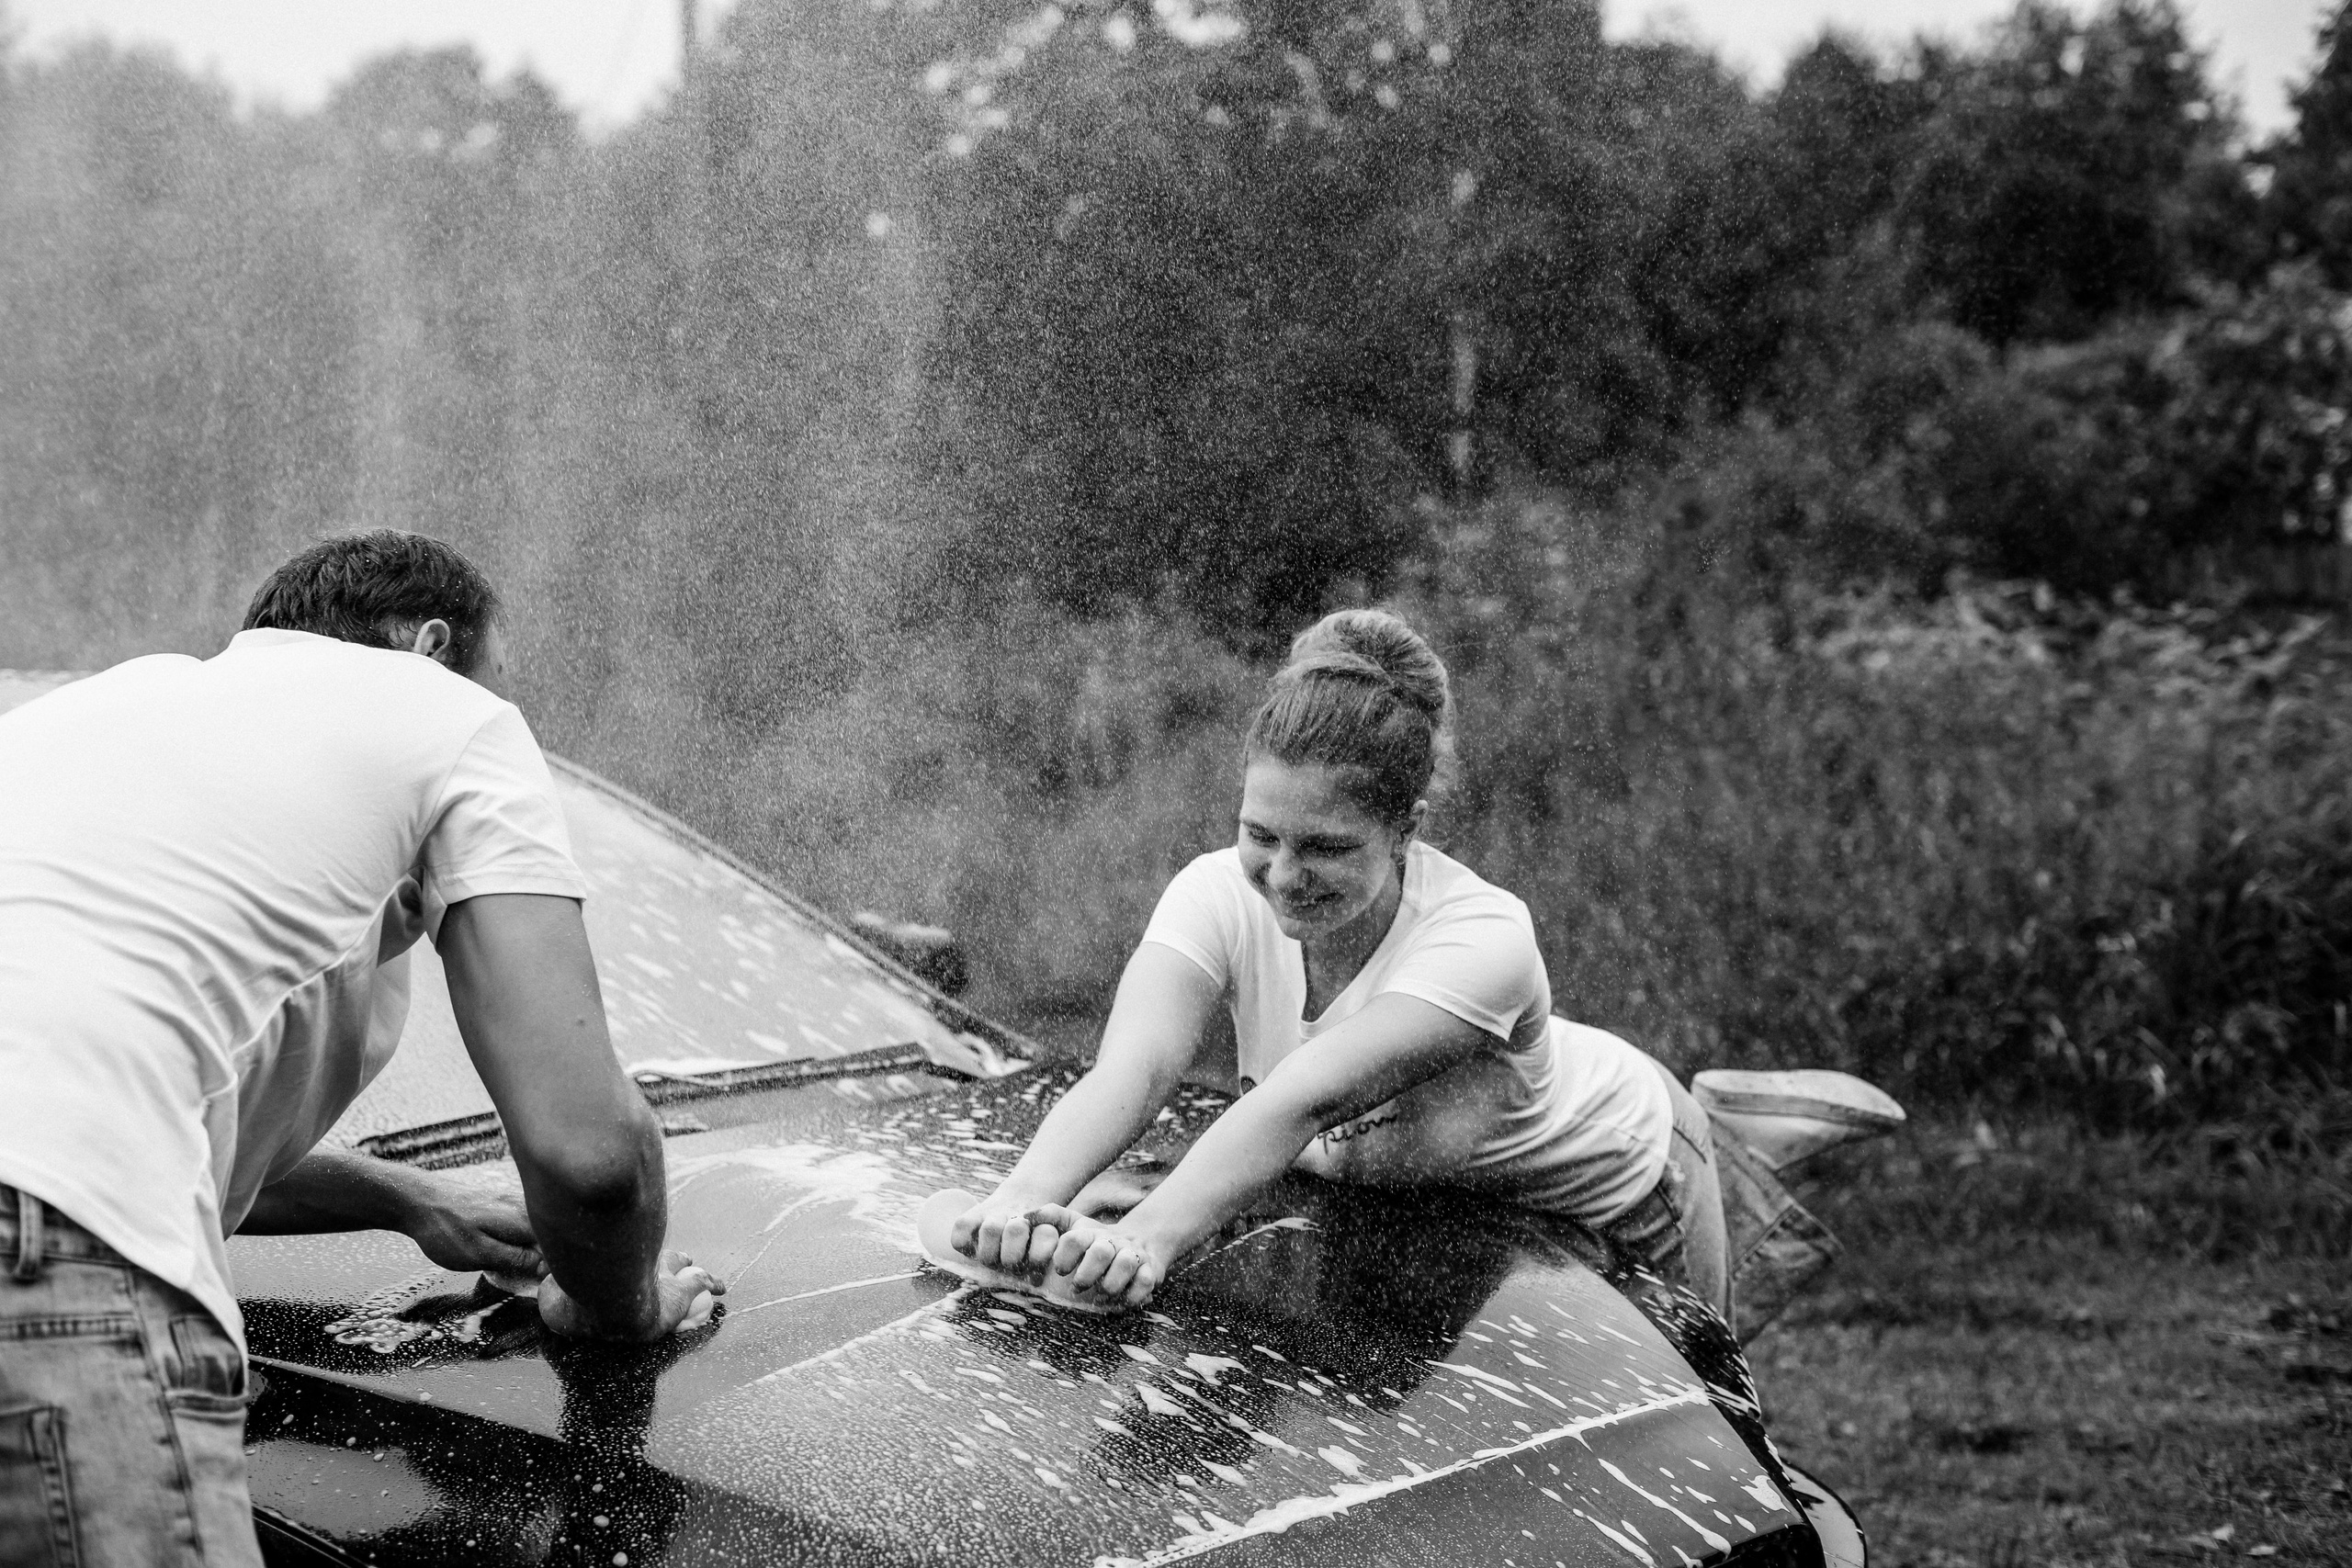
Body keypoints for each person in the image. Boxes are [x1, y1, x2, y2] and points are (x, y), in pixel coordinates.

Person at [0, 532, 723, 1568]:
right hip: (56, 1276)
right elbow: (590, 1160)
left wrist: (403, 1197)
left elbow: (101, 1111)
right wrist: (620, 1306)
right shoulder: (444, 714)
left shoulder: (90, 714)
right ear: (430, 646)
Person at [951, 608, 1863, 1323]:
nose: (1284, 875)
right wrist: (1021, 1199)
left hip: (1632, 1160)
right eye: (1259, 834)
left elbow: (1298, 1099)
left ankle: (1728, 1135)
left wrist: (1143, 1243)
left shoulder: (1485, 940)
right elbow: (1136, 1068)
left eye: (1326, 847)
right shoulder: (1213, 892)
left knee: (1708, 1386)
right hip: (1440, 1162)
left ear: (1405, 831)